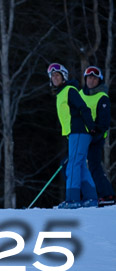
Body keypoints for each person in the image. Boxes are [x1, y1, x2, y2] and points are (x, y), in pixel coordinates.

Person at [47, 63, 98, 208]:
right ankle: (91, 198)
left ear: (64, 76)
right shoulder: (61, 93)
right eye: (53, 76)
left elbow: (84, 108)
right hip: (74, 133)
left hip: (79, 131)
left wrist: (91, 128)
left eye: (57, 75)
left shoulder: (70, 90)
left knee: (73, 164)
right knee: (80, 165)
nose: (55, 78)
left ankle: (72, 199)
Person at [79, 65, 115, 207]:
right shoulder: (81, 94)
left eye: (94, 78)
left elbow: (104, 123)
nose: (91, 81)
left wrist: (95, 134)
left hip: (95, 138)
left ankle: (108, 195)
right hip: (80, 137)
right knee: (74, 165)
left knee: (93, 165)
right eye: (88, 78)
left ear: (99, 80)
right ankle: (83, 195)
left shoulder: (102, 97)